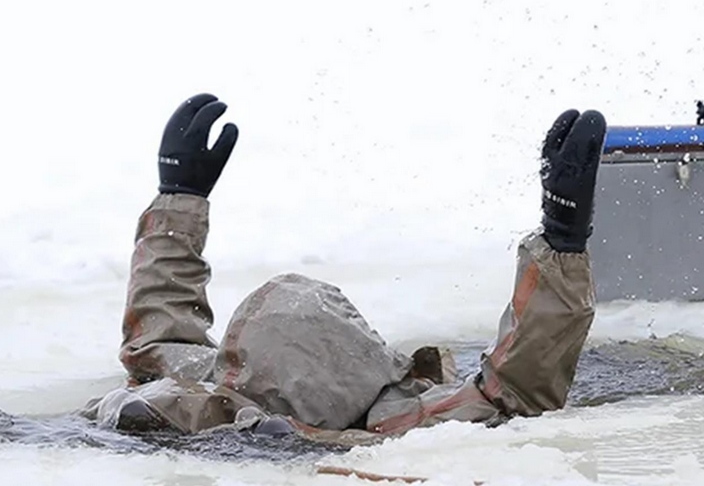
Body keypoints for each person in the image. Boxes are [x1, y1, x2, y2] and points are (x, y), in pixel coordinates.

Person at [79, 93, 607, 446]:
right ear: (375, 366)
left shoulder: (207, 403)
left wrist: (179, 196)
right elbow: (514, 394)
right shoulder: (402, 424)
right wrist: (561, 237)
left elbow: (158, 342)